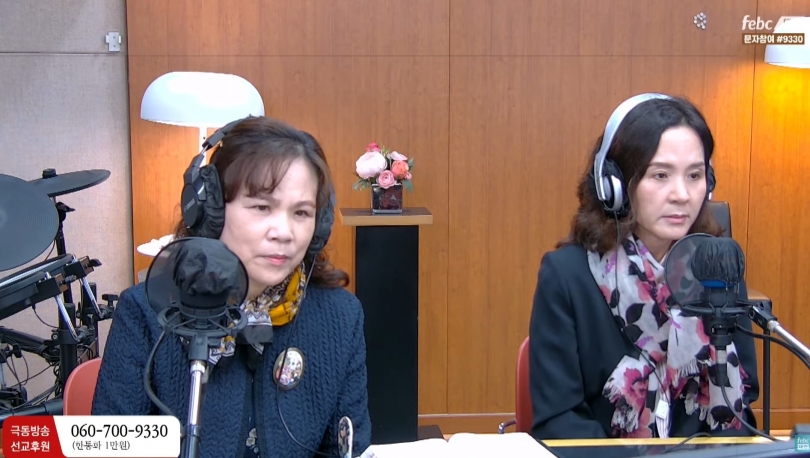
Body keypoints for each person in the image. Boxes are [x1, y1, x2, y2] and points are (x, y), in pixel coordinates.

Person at [92, 116, 372, 457]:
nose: (284, 233)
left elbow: (348, 448)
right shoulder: (146, 312)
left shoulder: (340, 317)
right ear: (211, 211)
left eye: (301, 213)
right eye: (261, 207)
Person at [528, 94, 760, 441]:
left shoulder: (717, 269)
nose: (682, 194)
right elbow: (559, 421)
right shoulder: (567, 276)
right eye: (660, 175)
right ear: (615, 185)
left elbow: (744, 402)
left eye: (695, 175)